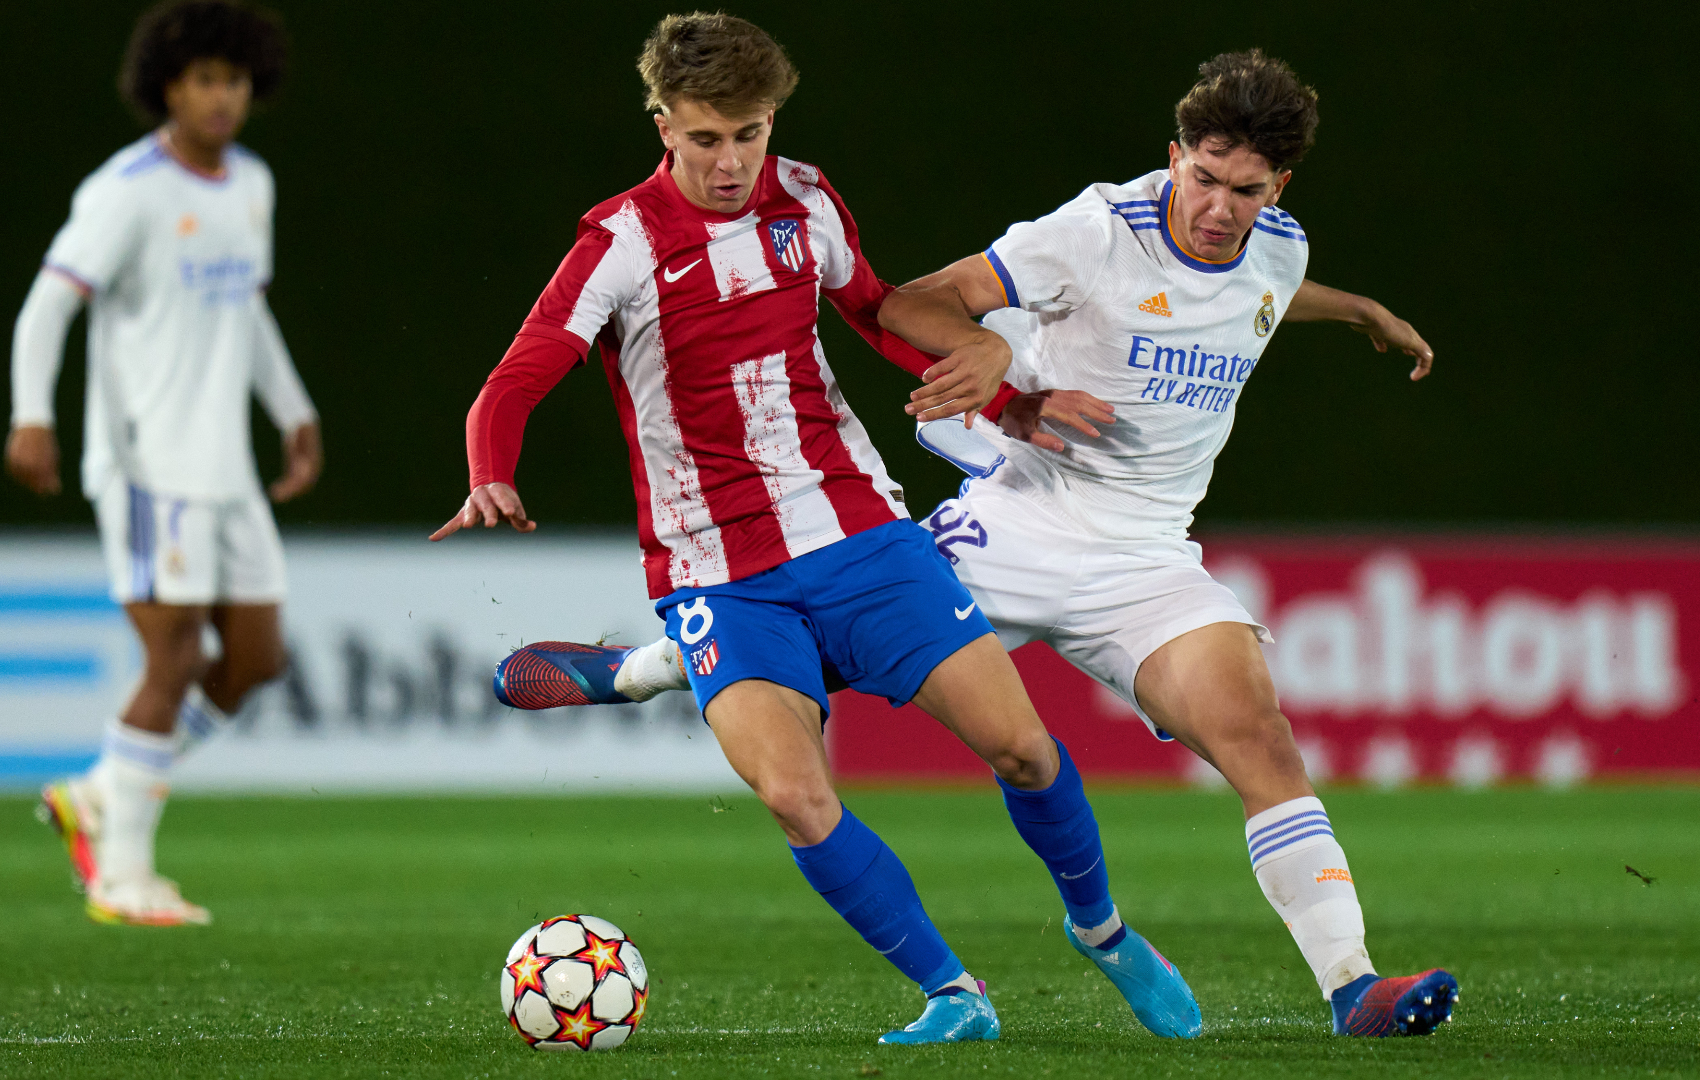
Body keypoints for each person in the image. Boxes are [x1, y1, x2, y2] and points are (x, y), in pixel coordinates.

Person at [501, 50, 1460, 1038]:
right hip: (1015, 521)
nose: (1217, 206)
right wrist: (999, 353)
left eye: (1244, 191)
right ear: (1174, 155)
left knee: (1258, 738)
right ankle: (650, 666)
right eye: (1202, 178)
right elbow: (917, 298)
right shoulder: (1093, 233)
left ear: (1278, 190)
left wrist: (1359, 312)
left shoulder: (1279, 249)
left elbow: (1252, 297)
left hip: (1147, 561)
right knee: (799, 641)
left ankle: (1354, 989)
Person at [435, 12, 1201, 1046]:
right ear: (663, 125)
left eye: (748, 134)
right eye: (705, 138)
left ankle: (1104, 933)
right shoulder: (616, 243)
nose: (729, 161)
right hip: (719, 570)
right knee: (798, 797)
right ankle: (953, 995)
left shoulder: (806, 199)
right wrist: (491, 473)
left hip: (859, 534)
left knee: (1023, 749)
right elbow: (515, 379)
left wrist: (1009, 403)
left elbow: (876, 310)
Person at [7, 0, 320, 927]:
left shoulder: (251, 184)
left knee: (257, 660)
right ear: (166, 88)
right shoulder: (127, 191)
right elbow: (46, 306)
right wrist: (32, 417)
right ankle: (122, 876)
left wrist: (292, 409)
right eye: (200, 80)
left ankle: (104, 786)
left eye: (232, 79)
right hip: (148, 464)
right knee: (176, 653)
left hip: (225, 469)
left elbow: (246, 310)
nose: (219, 97)